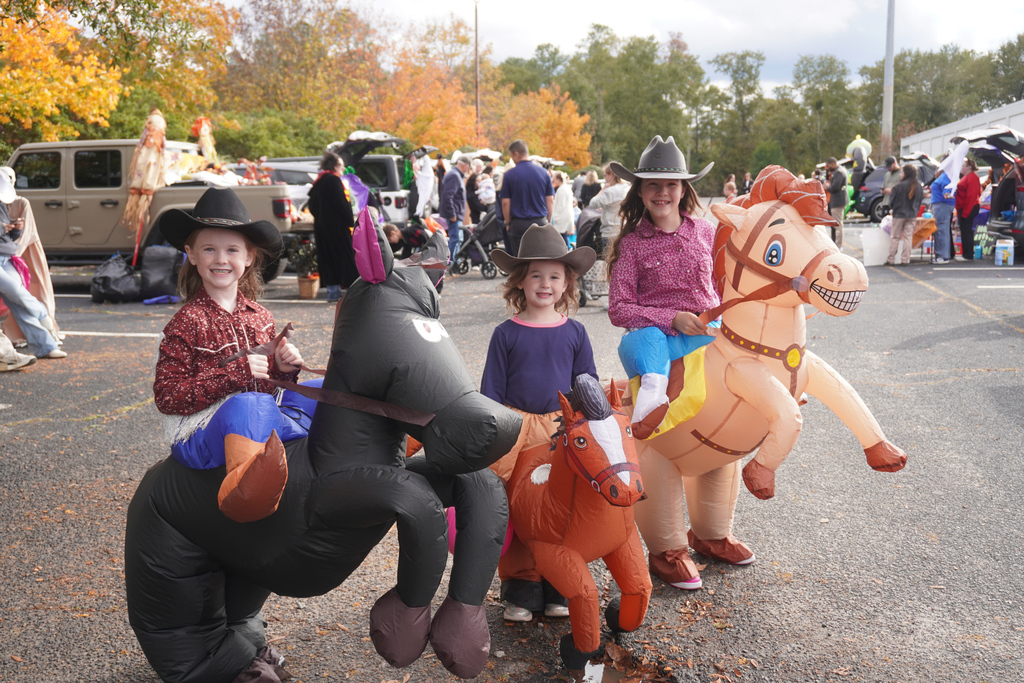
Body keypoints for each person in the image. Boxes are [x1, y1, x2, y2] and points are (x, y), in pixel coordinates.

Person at [154, 187, 314, 523]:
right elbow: (167, 397)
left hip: (256, 421)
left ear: (249, 257)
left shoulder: (260, 315)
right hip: (201, 433)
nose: (221, 259)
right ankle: (247, 497)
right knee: (248, 404)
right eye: (209, 249)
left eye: (232, 250)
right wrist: (234, 375)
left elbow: (268, 388)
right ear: (192, 254)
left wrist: (283, 372)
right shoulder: (186, 321)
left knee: (323, 389)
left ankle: (376, 450)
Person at [481, 223, 597, 623]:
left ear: (567, 284)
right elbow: (491, 393)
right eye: (536, 275)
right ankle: (520, 586)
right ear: (520, 281)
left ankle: (557, 584)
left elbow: (587, 384)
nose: (545, 284)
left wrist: (590, 424)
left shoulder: (576, 332)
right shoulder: (505, 334)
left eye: (555, 276)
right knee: (518, 506)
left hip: (562, 431)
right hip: (517, 432)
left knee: (561, 507)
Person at [606, 135, 717, 439]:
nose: (662, 192)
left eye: (671, 184)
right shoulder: (631, 246)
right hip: (657, 337)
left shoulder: (706, 232)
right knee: (648, 342)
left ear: (683, 190)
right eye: (653, 184)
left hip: (708, 330)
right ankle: (649, 408)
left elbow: (723, 282)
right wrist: (672, 317)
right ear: (640, 192)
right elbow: (618, 309)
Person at [0, 171, 64, 361]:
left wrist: (15, 229)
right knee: (17, 292)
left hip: (6, 255)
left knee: (18, 301)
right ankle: (43, 317)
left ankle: (46, 346)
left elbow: (7, 237)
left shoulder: (3, 205)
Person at [307, 151, 357, 303]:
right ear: (335, 166)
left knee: (328, 259)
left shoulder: (319, 182)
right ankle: (352, 294)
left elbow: (311, 206)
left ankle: (332, 293)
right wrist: (350, 222)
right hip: (338, 228)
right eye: (342, 165)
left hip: (322, 227)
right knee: (346, 258)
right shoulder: (334, 181)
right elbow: (343, 204)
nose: (343, 168)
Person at [500, 140, 554, 255]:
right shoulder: (544, 173)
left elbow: (505, 202)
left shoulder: (509, 175)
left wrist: (508, 223)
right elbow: (550, 200)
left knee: (520, 259)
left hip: (519, 223)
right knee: (539, 257)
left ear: (516, 154)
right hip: (539, 221)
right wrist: (548, 220)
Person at [885, 164, 924, 266]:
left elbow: (891, 202)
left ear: (906, 173)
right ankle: (905, 259)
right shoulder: (918, 186)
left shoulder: (898, 186)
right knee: (908, 237)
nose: (900, 174)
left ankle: (891, 259)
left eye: (902, 172)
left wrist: (893, 208)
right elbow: (920, 201)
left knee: (895, 236)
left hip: (899, 214)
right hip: (912, 214)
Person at [588, 163, 630, 254]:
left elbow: (592, 203)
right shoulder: (628, 189)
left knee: (610, 263)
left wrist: (602, 189)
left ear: (611, 174)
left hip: (609, 232)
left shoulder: (610, 191)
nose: (605, 178)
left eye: (605, 175)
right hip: (626, 230)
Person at [440, 155, 471, 264]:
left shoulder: (455, 175)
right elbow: (448, 196)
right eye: (468, 167)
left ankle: (454, 261)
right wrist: (452, 214)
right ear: (465, 165)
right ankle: (451, 262)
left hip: (456, 213)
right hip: (455, 214)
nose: (468, 170)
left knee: (458, 238)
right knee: (456, 238)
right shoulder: (454, 175)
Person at [955, 158, 981, 261]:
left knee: (966, 230)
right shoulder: (967, 177)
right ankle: (967, 253)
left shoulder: (972, 177)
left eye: (963, 165)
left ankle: (968, 254)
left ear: (968, 167)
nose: (961, 167)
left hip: (969, 207)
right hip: (964, 206)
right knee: (965, 229)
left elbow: (971, 196)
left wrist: (965, 213)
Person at [929, 169, 956, 265]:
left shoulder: (945, 176)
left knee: (941, 230)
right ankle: (943, 255)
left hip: (942, 205)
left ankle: (942, 256)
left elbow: (947, 188)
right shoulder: (948, 176)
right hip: (942, 204)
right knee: (943, 230)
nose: (935, 171)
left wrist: (946, 194)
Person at [824, 157, 847, 247]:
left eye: (829, 166)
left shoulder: (838, 173)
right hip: (837, 201)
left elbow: (835, 187)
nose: (828, 168)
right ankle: (837, 243)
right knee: (836, 224)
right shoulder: (839, 171)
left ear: (833, 164)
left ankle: (838, 245)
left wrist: (827, 187)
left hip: (838, 201)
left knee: (838, 224)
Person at [550, 171, 575, 246]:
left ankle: (564, 250)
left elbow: (561, 204)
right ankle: (566, 249)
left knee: (561, 234)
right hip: (567, 214)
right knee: (564, 234)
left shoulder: (561, 189)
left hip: (562, 215)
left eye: (554, 180)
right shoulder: (566, 188)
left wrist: (556, 216)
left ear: (558, 179)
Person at [466, 158, 487, 224]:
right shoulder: (471, 194)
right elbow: (479, 206)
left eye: (481, 180)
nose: (480, 182)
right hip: (475, 218)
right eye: (478, 181)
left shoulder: (480, 191)